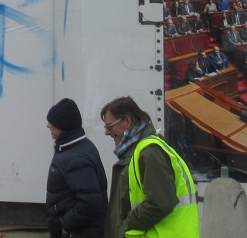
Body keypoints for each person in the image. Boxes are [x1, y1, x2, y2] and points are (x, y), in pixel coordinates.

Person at [101, 96, 198, 238]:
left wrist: (126, 226)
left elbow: (160, 202)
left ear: (128, 121)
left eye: (110, 126)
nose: (106, 132)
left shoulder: (149, 152)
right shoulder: (143, 151)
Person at [45, 98, 108, 238]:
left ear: (62, 126)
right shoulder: (74, 149)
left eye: (52, 122)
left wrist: (66, 226)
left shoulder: (75, 158)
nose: (47, 125)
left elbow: (90, 202)